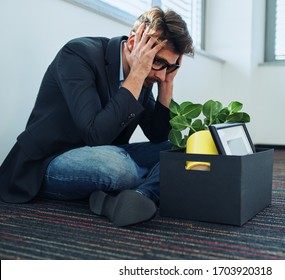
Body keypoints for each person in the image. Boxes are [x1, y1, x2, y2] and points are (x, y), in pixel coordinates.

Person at [0, 7, 194, 226]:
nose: (159, 74)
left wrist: (167, 85)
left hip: (108, 154)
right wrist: (139, 72)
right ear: (133, 43)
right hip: (49, 161)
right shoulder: (78, 54)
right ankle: (145, 184)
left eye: (169, 67)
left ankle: (140, 197)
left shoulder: (151, 74)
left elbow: (158, 134)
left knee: (177, 150)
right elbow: (95, 134)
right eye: (158, 62)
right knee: (118, 169)